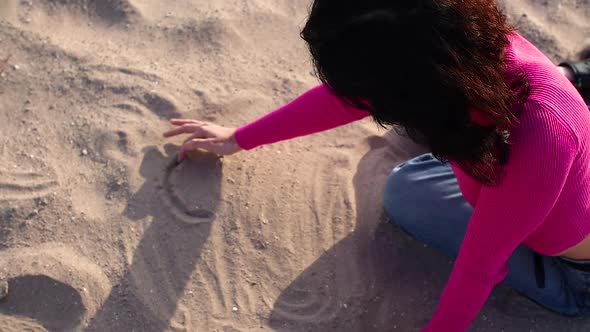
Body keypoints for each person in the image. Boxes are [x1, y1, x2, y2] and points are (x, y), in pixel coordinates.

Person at [163, 0, 590, 330]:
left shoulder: (541, 134)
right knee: (405, 185)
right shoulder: (456, 43)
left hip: (574, 273)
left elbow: (480, 268)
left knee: (405, 192)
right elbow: (345, 99)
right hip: (526, 180)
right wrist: (239, 138)